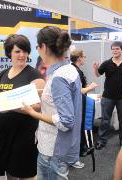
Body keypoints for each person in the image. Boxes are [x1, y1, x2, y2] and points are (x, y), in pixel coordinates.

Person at [0, 34, 45, 180]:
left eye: (25, 51)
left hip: (24, 133)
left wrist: (10, 106)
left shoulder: (34, 75)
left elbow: (37, 107)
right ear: (9, 53)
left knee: (26, 172)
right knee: (9, 170)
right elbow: (0, 99)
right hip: (4, 130)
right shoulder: (3, 74)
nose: (22, 55)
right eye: (17, 51)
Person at [21, 26, 82, 180]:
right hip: (60, 147)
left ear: (44, 47)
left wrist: (33, 113)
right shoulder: (68, 69)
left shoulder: (59, 77)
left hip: (52, 149)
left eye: (37, 46)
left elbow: (66, 121)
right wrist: (43, 93)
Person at [93, 41, 122, 150]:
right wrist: (95, 68)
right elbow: (98, 74)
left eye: (117, 49)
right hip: (108, 97)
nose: (115, 51)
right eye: (113, 49)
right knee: (105, 120)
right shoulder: (107, 63)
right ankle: (101, 141)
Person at [70, 48, 98, 167]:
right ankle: (77, 153)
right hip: (77, 104)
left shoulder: (73, 69)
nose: (85, 58)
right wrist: (91, 87)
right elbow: (79, 91)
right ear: (79, 57)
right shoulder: (76, 71)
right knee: (79, 128)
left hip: (77, 103)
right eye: (84, 56)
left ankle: (78, 151)